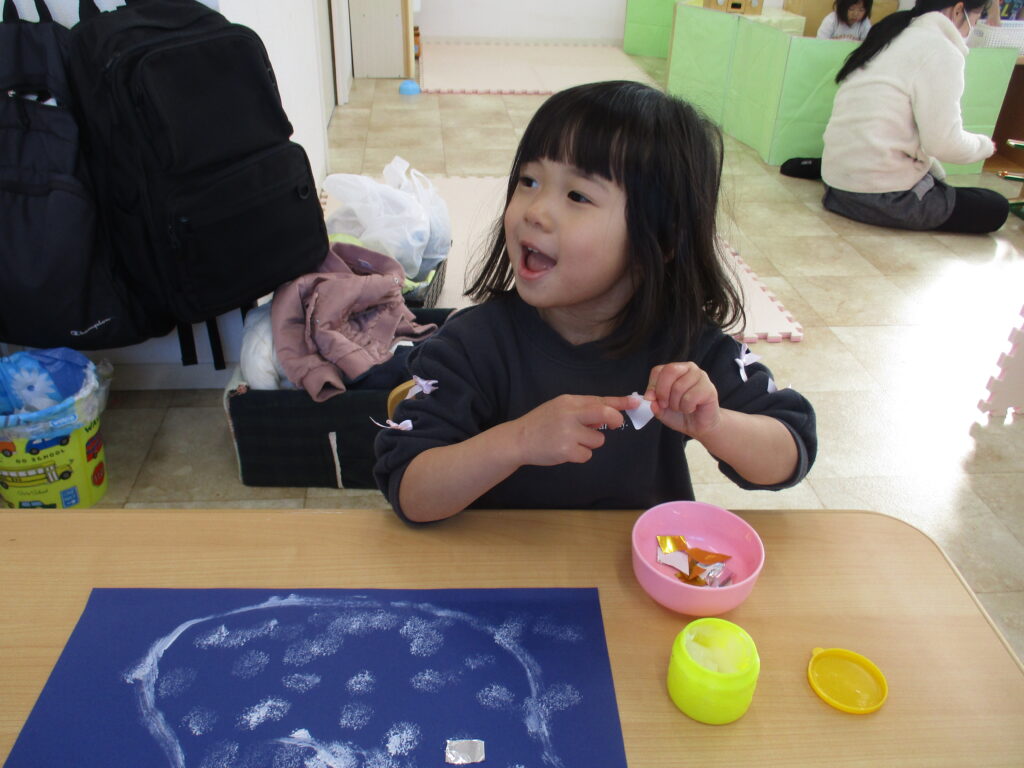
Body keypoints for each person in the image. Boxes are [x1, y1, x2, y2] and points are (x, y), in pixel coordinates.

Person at [373, 81, 817, 524]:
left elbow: (791, 453)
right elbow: (410, 490)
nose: (534, 211)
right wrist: (519, 440)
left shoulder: (689, 346)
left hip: (640, 563)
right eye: (529, 181)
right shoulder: (473, 344)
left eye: (577, 196)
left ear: (661, 237)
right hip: (503, 562)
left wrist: (715, 425)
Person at [821, 0, 1011, 233]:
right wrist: (986, 146)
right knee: (995, 206)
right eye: (977, 16)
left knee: (937, 177)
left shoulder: (894, 33)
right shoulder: (941, 50)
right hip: (875, 197)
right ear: (958, 10)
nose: (975, 24)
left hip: (835, 185)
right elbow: (944, 144)